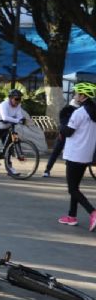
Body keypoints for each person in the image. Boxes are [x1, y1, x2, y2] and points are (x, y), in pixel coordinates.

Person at [57, 82, 96, 230]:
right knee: (75, 187)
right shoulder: (93, 111)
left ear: (83, 95)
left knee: (72, 189)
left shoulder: (79, 113)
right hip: (86, 154)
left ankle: (92, 212)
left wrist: (61, 123)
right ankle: (71, 216)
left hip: (74, 154)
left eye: (77, 93)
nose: (74, 95)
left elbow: (68, 132)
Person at [42, 98, 80, 177]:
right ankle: (48, 170)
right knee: (60, 153)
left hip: (66, 134)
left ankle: (47, 170)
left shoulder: (65, 111)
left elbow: (62, 123)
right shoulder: (69, 111)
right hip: (66, 135)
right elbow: (63, 124)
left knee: (57, 153)